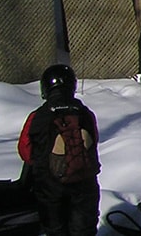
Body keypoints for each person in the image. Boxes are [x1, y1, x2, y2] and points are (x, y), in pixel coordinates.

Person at [18, 64, 101, 236]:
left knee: (56, 230)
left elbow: (25, 151)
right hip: (84, 184)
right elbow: (94, 141)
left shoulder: (38, 116)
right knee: (83, 230)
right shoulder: (85, 113)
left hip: (49, 187)